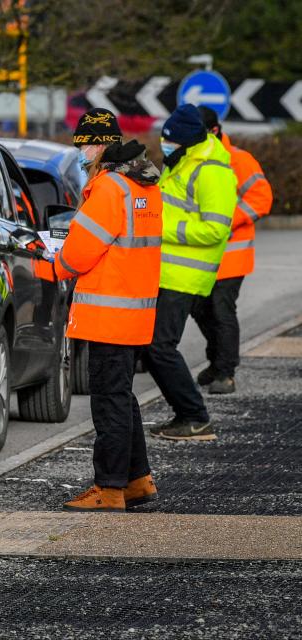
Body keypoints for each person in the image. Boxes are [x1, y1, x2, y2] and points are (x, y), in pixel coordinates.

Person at [53, 108, 163, 512]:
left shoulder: (109, 188)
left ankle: (110, 488)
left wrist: (51, 265)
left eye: (82, 144)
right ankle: (137, 481)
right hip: (133, 311)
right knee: (122, 398)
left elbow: (79, 253)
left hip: (108, 314)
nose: (80, 153)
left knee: (109, 403)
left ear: (99, 145)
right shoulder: (144, 186)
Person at [146, 104, 237, 442]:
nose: (164, 146)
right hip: (165, 271)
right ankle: (188, 415)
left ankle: (195, 417)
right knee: (152, 347)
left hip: (183, 275)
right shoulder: (185, 160)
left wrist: (162, 227)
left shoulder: (213, 171)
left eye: (169, 142)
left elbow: (216, 229)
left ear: (185, 141)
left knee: (159, 347)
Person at [192, 107, 273, 395]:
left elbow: (262, 198)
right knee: (199, 308)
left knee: (221, 309)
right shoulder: (195, 160)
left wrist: (226, 221)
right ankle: (218, 362)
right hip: (202, 255)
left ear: (214, 131)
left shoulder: (238, 160)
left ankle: (225, 372)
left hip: (230, 256)